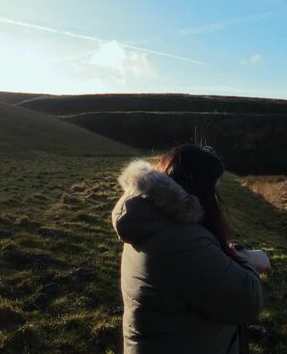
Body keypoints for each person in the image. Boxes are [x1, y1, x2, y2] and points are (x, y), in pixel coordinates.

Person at [111, 144, 269, 354]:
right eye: (214, 189)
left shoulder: (151, 222)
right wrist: (249, 260)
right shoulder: (181, 242)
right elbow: (248, 301)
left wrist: (234, 251)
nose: (216, 198)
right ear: (200, 190)